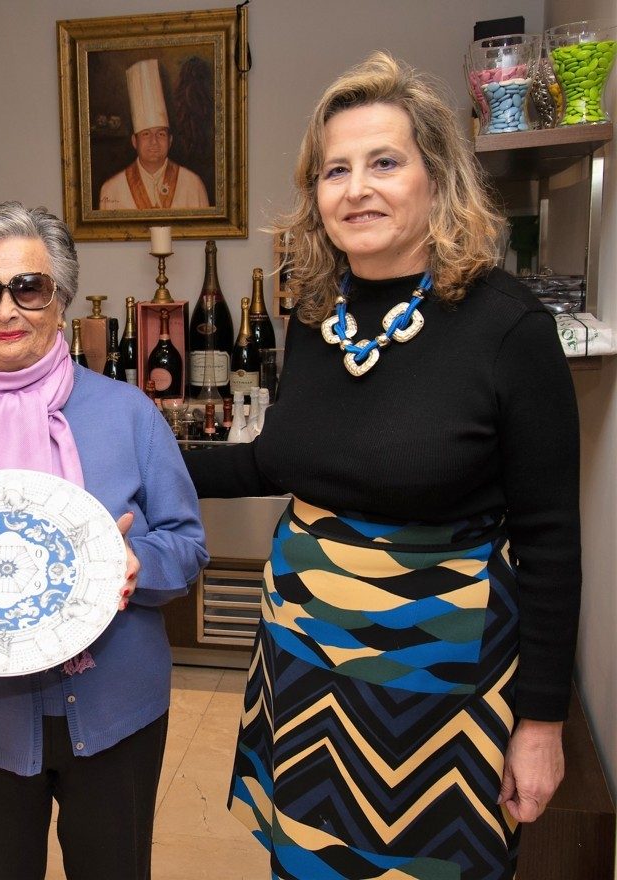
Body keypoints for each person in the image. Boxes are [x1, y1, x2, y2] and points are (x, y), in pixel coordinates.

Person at [184, 53, 580, 880]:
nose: (356, 189)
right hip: (304, 653)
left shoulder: (509, 329)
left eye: (385, 163)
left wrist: (542, 722)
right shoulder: (314, 316)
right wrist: (134, 462)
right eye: (336, 170)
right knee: (308, 863)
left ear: (437, 179)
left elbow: (551, 540)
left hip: (437, 676)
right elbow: (280, 462)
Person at [0, 201, 208, 880]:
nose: (6, 309)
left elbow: (187, 544)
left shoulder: (129, 415)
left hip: (115, 707)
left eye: (29, 288)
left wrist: (135, 563)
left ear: (61, 300)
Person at [98, 59, 210, 210]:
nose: (154, 142)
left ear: (170, 140)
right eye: (146, 134)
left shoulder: (193, 185)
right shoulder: (111, 189)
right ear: (134, 141)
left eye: (161, 134)